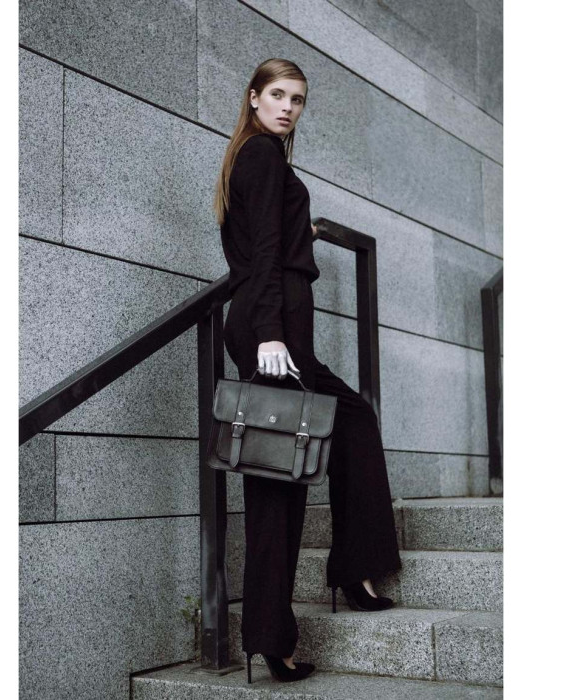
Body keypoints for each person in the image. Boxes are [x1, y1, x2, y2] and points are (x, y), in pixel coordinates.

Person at [213, 58, 402, 684]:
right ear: (253, 98)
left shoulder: (256, 158)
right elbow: (264, 252)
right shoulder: (262, 156)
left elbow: (262, 240)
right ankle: (272, 638)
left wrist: (303, 235)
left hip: (279, 323)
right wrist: (269, 330)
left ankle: (352, 569)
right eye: (277, 95)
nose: (288, 107)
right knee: (278, 483)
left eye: (297, 99)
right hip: (275, 327)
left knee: (351, 424)